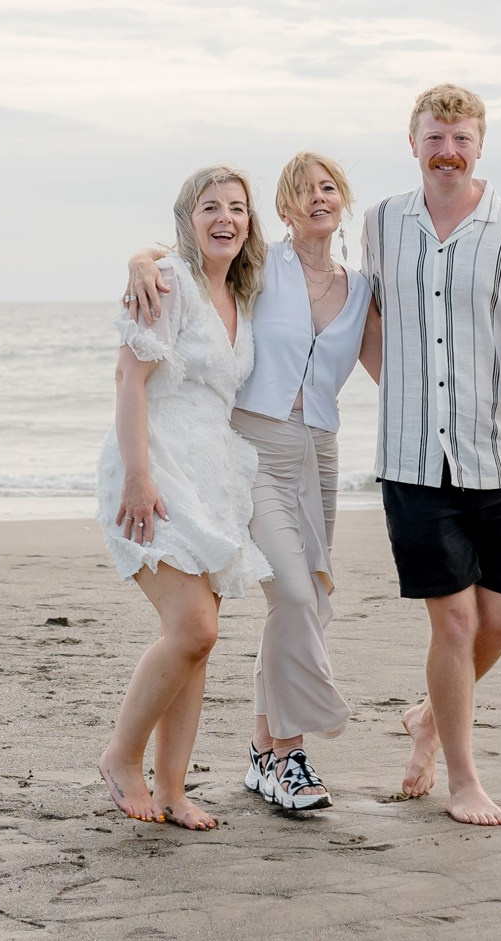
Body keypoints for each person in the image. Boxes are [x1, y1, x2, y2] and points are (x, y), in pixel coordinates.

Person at [126, 153, 374, 813]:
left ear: (343, 200)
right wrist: (139, 259)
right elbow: (186, 256)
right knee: (290, 591)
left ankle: (268, 753)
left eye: (328, 188)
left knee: (312, 599)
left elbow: (393, 367)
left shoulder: (361, 285)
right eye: (301, 191)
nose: (316, 199)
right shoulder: (264, 270)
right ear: (284, 211)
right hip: (257, 446)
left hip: (320, 450)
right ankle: (288, 749)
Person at [360, 83, 501, 826]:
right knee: (452, 621)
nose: (447, 152)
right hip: (412, 460)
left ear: (479, 144)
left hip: (494, 453)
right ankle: (459, 777)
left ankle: (428, 714)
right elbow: (363, 315)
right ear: (412, 141)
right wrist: (404, 388)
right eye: (434, 137)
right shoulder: (382, 223)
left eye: (460, 138)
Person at [96, 164, 272, 831]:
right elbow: (128, 376)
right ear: (187, 219)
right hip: (156, 468)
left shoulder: (242, 298)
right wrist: (138, 475)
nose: (225, 217)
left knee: (199, 642)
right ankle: (121, 754)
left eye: (237, 207)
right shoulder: (168, 281)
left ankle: (172, 787)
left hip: (213, 478)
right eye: (210, 206)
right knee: (192, 627)